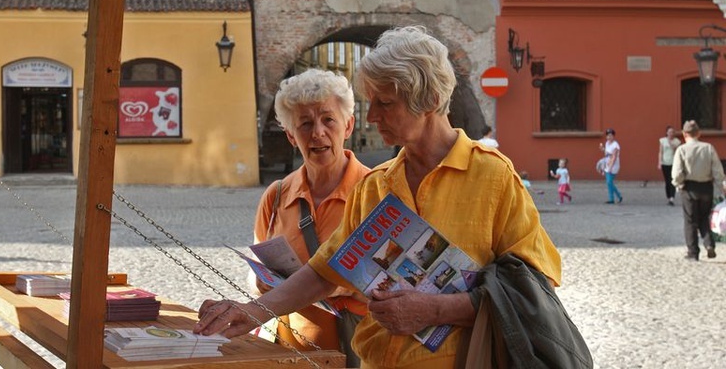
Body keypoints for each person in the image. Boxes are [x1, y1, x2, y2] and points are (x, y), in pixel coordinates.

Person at [195, 26, 561, 368]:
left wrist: (435, 311)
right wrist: (253, 310)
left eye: (384, 103)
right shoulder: (377, 185)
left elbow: (530, 291)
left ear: (430, 99)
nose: (371, 117)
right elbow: (326, 271)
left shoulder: (492, 176)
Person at [251, 68, 370, 366]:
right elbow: (256, 274)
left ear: (348, 125)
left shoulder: (374, 192)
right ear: (291, 136)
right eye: (304, 123)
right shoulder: (276, 195)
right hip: (289, 350)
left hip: (356, 348)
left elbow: (393, 282)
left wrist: (317, 285)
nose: (317, 132)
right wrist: (261, 282)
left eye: (328, 119)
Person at [671, 120, 725, 261]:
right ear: (699, 133)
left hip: (689, 188)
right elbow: (718, 171)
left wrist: (678, 184)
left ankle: (693, 252)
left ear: (684, 134)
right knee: (704, 217)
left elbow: (677, 173)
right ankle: (709, 244)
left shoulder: (681, 150)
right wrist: (722, 187)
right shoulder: (708, 148)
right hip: (706, 187)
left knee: (690, 221)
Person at [657, 125, 681, 206]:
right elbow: (660, 152)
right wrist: (659, 162)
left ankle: (672, 198)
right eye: (669, 132)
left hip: (673, 163)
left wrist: (670, 142)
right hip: (665, 163)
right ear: (666, 133)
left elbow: (676, 150)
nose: (671, 133)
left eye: (672, 132)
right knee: (667, 181)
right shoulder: (662, 141)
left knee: (672, 180)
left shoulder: (677, 141)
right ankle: (668, 196)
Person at [600, 128, 622, 204]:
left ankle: (618, 195)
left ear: (613, 136)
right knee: (609, 182)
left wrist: (610, 167)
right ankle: (611, 199)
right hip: (607, 163)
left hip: (614, 165)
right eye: (608, 135)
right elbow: (607, 153)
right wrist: (603, 149)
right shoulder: (607, 143)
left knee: (609, 181)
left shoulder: (615, 145)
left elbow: (614, 157)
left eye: (610, 135)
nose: (609, 137)